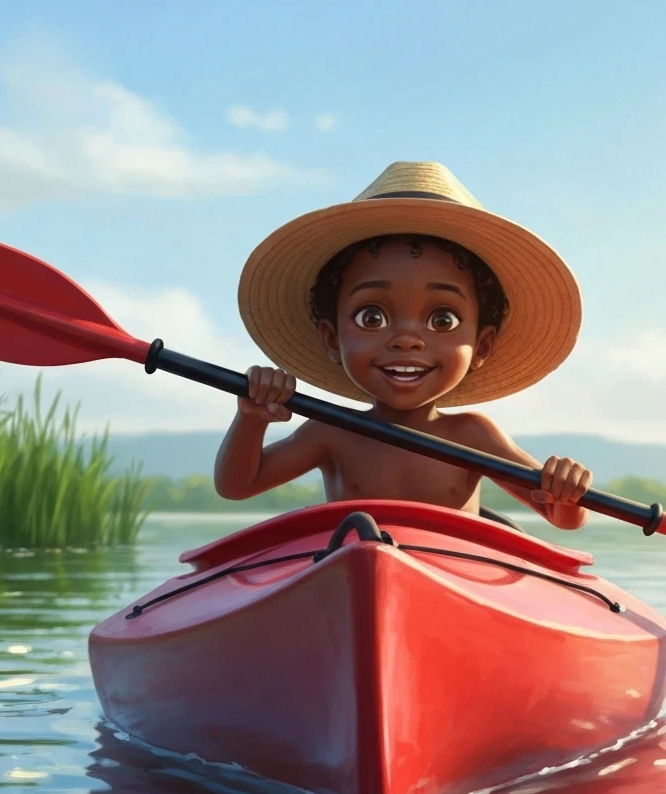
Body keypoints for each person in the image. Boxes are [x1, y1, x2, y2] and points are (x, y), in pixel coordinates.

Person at [215, 161, 592, 529]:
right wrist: (251, 419)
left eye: (442, 320)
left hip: (452, 578)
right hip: (354, 561)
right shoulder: (331, 432)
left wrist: (566, 492)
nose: (406, 340)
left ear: (480, 346)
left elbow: (561, 518)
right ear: (333, 339)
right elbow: (237, 487)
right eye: (371, 318)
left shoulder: (473, 436)